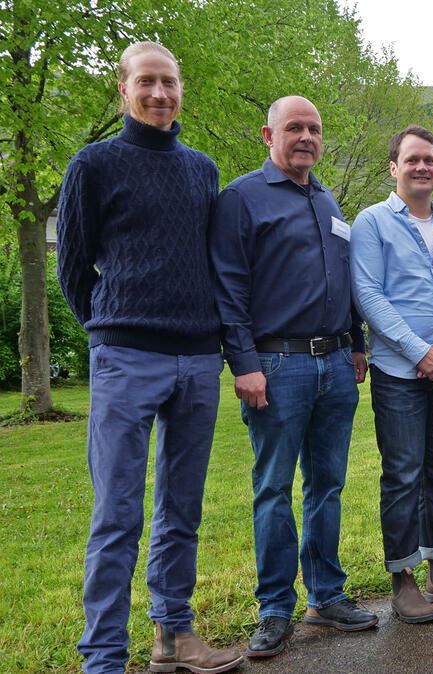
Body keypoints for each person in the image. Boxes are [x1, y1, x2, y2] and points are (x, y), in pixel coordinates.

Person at [56, 42, 243, 674]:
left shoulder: (202, 169)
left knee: (181, 509)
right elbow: (74, 268)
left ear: (180, 89)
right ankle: (104, 656)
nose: (159, 93)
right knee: (117, 514)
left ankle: (173, 634)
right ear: (124, 89)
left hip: (197, 359)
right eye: (147, 82)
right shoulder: (93, 165)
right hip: (127, 357)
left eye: (169, 82)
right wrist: (109, 330)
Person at [210, 96, 377, 657]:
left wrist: (355, 344)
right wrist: (245, 363)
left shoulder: (328, 199)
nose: (306, 137)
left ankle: (326, 596)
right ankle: (275, 608)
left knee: (327, 486)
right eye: (294, 128)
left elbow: (344, 281)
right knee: (274, 489)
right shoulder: (241, 198)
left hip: (335, 364)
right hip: (275, 366)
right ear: (268, 134)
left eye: (314, 129)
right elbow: (228, 290)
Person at [350, 126, 433, 624]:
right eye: (412, 160)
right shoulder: (372, 224)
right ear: (394, 167)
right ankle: (403, 579)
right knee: (403, 475)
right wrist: (418, 351)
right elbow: (368, 295)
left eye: (429, 159)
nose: (422, 167)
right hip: (399, 375)